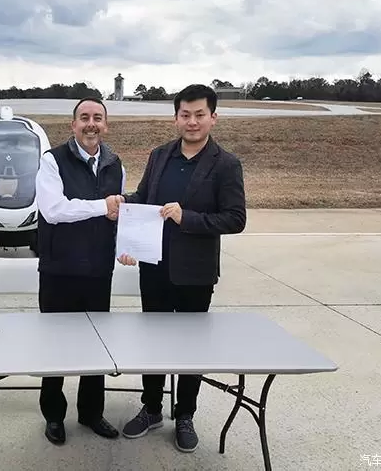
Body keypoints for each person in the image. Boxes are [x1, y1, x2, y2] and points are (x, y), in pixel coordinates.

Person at [117, 84, 246, 452]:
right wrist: (123, 210)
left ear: (213, 117)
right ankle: (151, 408)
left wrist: (186, 217)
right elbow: (144, 199)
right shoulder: (160, 156)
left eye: (199, 115)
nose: (192, 121)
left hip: (195, 274)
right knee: (153, 342)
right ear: (176, 118)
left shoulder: (226, 164)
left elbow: (235, 219)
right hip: (154, 269)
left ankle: (185, 414)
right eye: (185, 115)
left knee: (191, 348)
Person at [34, 96, 126, 445]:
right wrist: (102, 206)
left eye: (97, 118)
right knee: (54, 347)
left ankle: (90, 413)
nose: (91, 124)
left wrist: (128, 247)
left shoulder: (116, 165)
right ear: (73, 125)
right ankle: (54, 415)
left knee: (96, 347)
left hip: (99, 271)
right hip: (59, 270)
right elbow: (54, 210)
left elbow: (119, 216)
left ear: (106, 125)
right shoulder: (52, 161)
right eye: (84, 118)